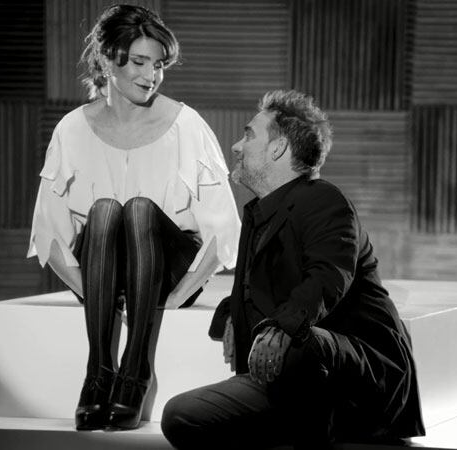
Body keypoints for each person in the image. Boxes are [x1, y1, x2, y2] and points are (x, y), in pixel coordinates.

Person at [161, 90, 425, 449]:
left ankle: (314, 428)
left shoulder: (325, 200)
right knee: (180, 415)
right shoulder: (257, 214)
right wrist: (232, 314)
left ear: (279, 148)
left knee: (299, 343)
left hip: (357, 380)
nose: (236, 146)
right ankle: (290, 428)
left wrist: (281, 328)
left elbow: (328, 277)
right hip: (288, 379)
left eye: (249, 135)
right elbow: (267, 287)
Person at [27, 4, 240, 432]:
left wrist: (175, 298)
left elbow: (222, 234)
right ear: (108, 59)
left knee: (138, 209)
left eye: (158, 65)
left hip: (168, 271)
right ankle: (98, 372)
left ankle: (136, 369)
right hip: (105, 273)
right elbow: (50, 237)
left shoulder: (187, 125)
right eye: (139, 62)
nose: (151, 76)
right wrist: (97, 295)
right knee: (105, 211)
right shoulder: (71, 129)